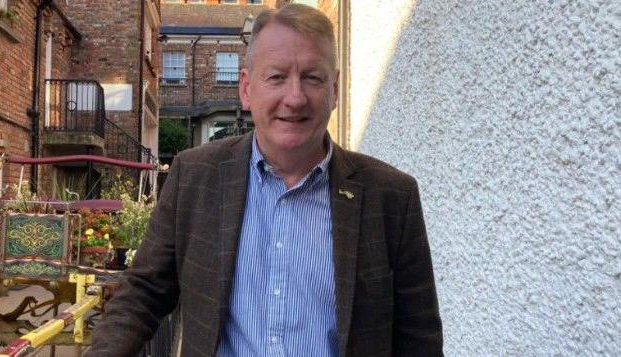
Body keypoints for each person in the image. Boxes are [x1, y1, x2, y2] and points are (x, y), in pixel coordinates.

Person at [86, 4, 442, 357]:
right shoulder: (195, 177)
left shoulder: (392, 197)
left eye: (313, 78)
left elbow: (419, 339)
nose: (295, 97)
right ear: (246, 88)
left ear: (334, 89)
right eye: (276, 77)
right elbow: (144, 292)